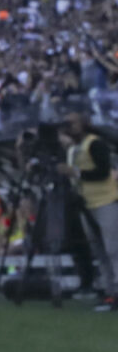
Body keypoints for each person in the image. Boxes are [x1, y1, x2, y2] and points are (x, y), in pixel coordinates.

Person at [63, 106, 117, 312]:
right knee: (99, 250)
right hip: (87, 203)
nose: (69, 127)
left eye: (73, 123)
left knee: (113, 249)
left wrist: (75, 172)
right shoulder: (72, 149)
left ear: (83, 124)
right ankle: (110, 292)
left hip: (105, 200)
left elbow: (103, 171)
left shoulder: (94, 144)